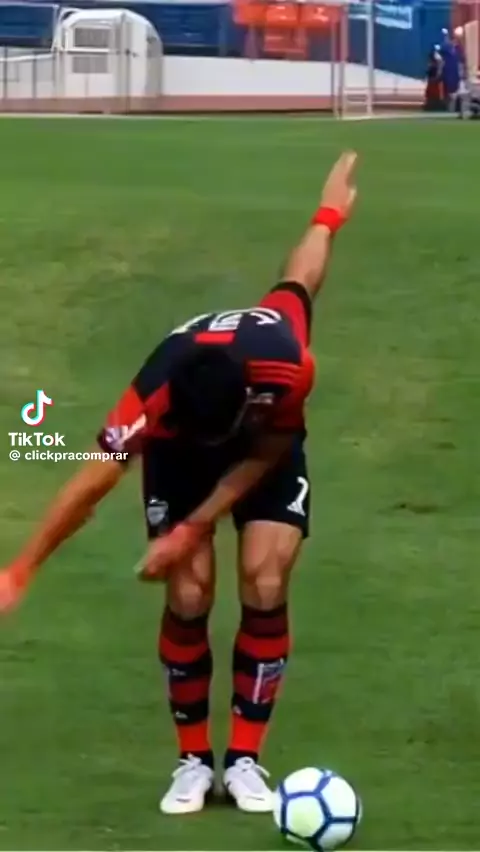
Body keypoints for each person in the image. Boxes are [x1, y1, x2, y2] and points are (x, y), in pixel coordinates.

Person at [0, 151, 358, 816]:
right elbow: (88, 486)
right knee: (190, 591)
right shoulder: (155, 394)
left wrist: (328, 215)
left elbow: (300, 278)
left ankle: (244, 760)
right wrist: (22, 569)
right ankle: (193, 761)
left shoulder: (284, 362)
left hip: (266, 448)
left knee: (266, 578)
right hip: (177, 459)